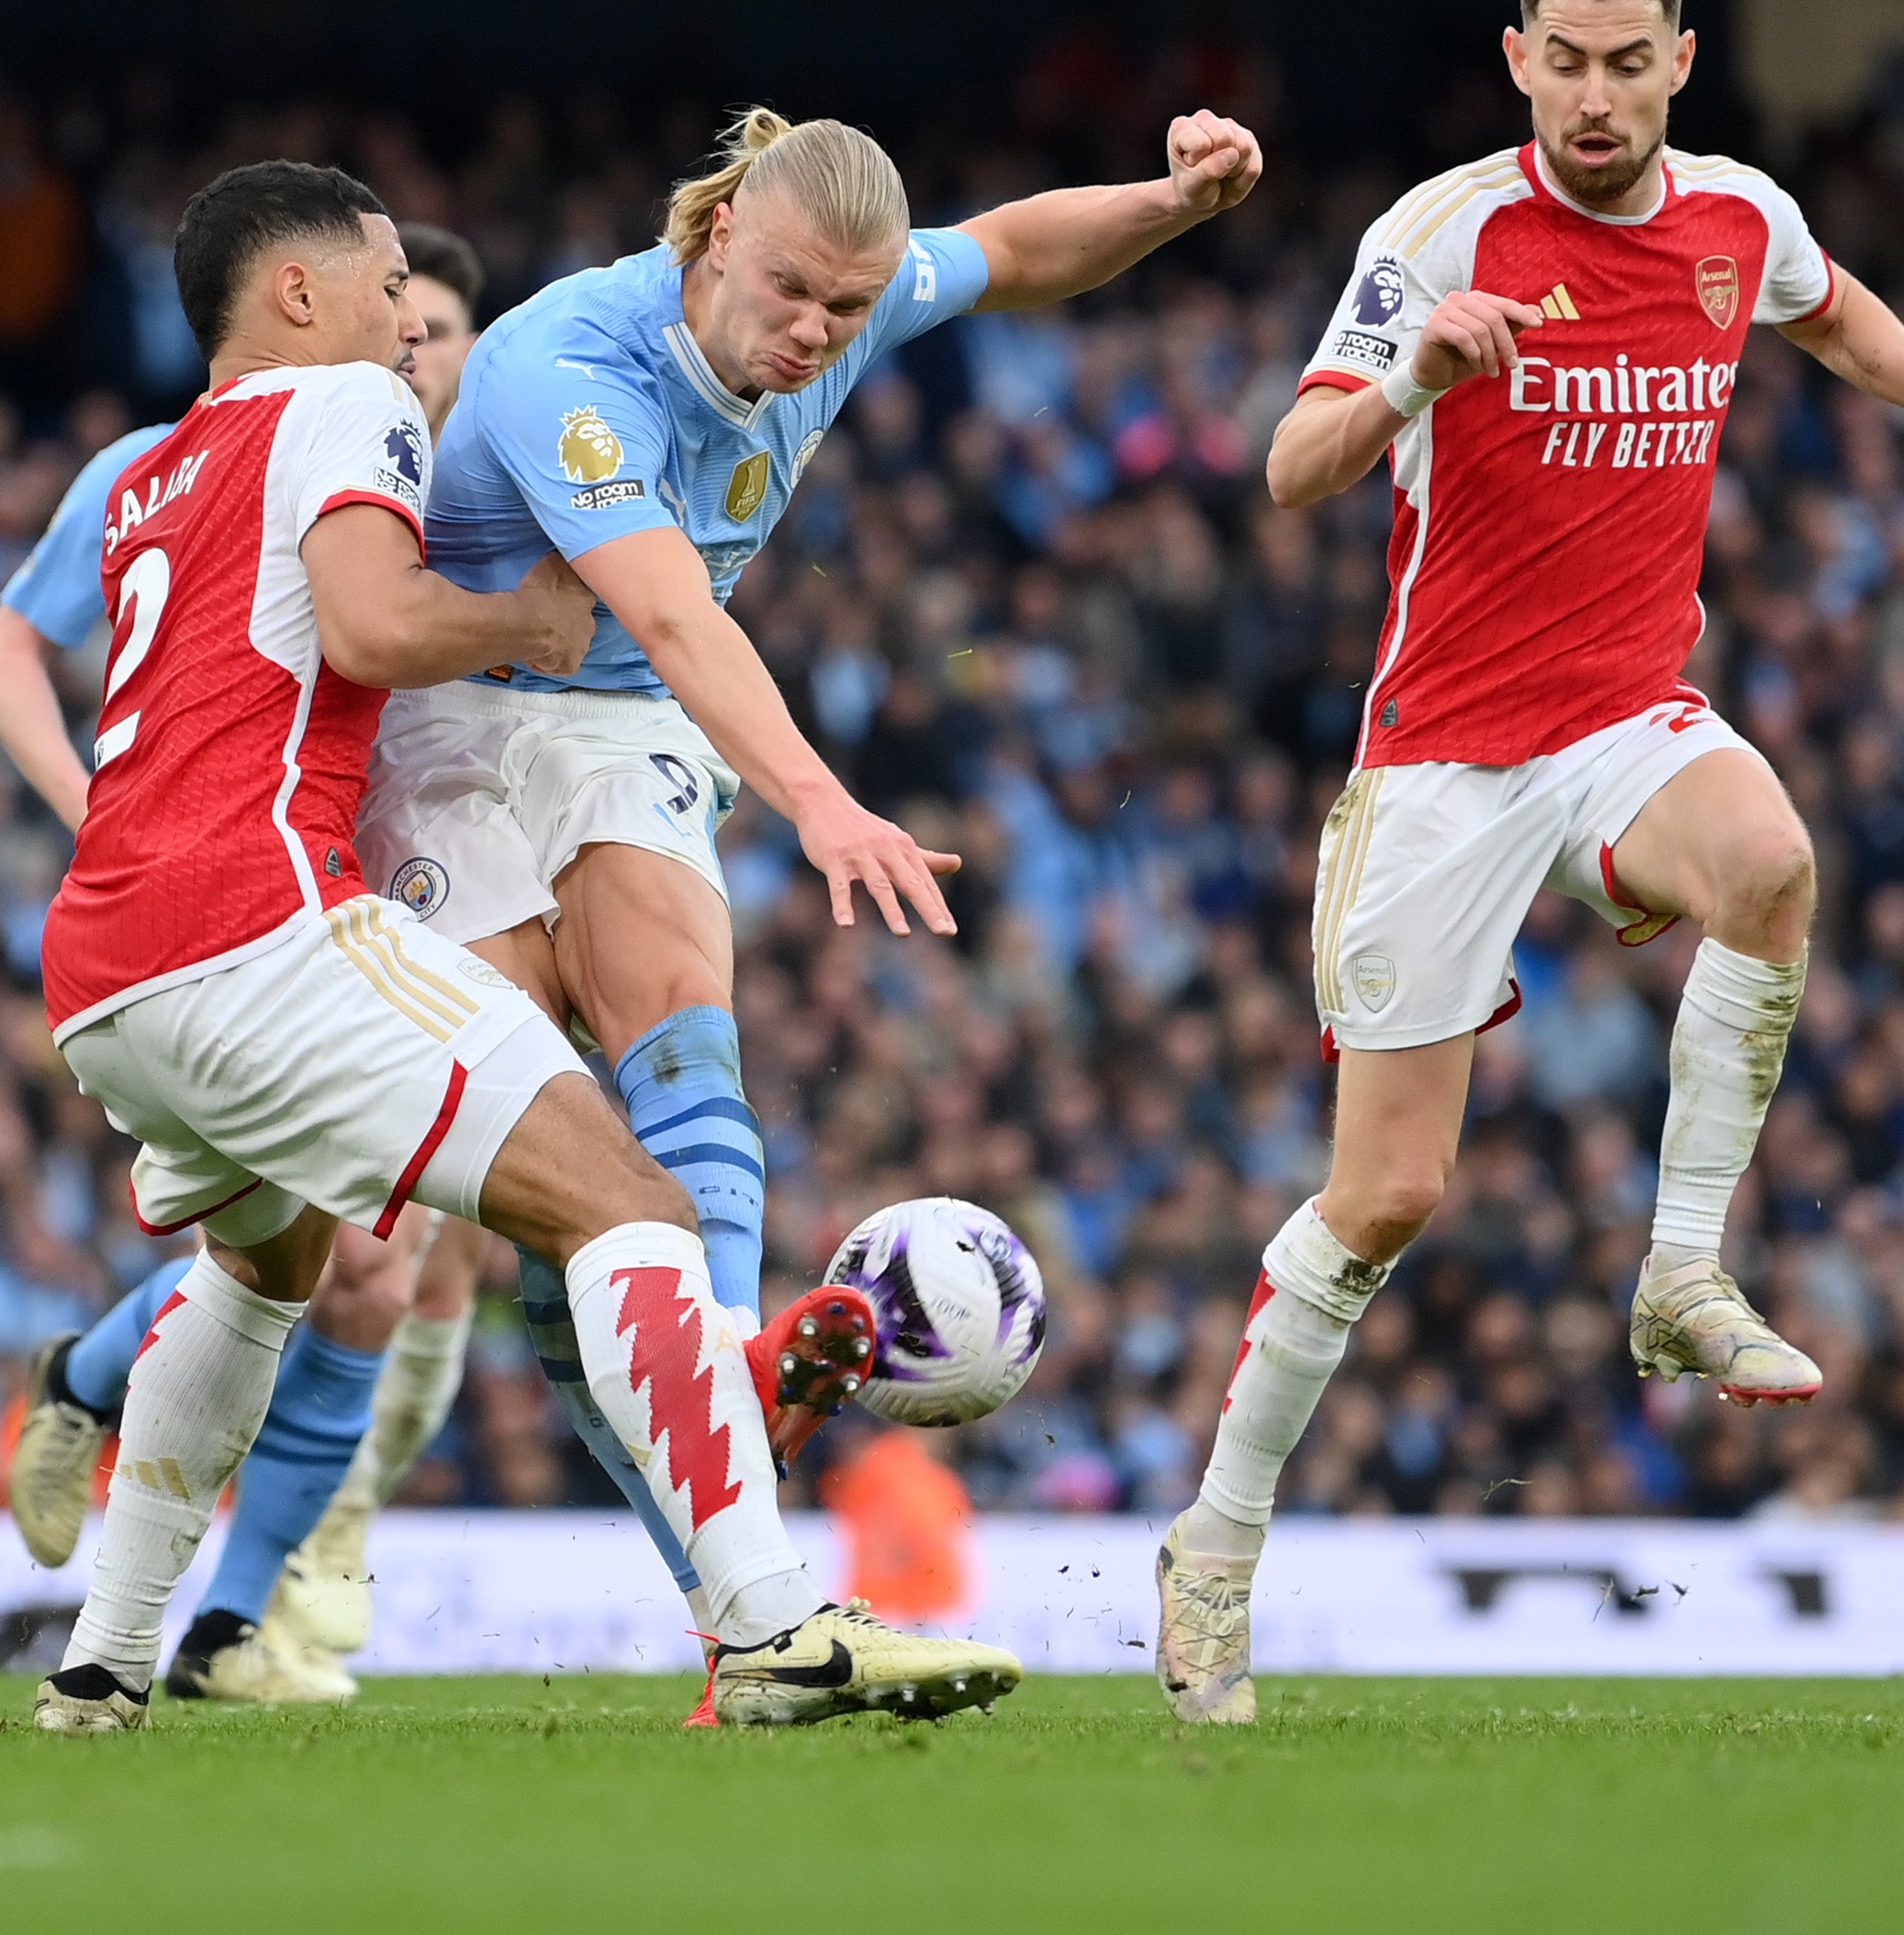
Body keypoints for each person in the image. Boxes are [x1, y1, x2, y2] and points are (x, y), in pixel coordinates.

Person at [1152, 0, 1904, 1725]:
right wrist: (1416, 372)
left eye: (1625, 60)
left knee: (1770, 859)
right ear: (1518, 61)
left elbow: (1822, 308)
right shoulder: (1436, 233)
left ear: (1678, 62)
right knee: (1388, 1192)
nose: (1593, 95)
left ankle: (1680, 1269)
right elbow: (1284, 469)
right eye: (1560, 60)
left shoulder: (1738, 213)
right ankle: (1212, 1543)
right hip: (1439, 756)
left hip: (1623, 715)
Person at [31, 159, 1017, 1730]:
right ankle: (769, 1624)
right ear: (297, 295)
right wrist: (521, 625)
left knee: (259, 1271)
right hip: (260, 922)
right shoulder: (347, 408)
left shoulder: (154, 471)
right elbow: (368, 625)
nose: (414, 330)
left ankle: (98, 1663)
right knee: (623, 1201)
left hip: (99, 959)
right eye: (379, 286)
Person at [369, 102, 1261, 1708]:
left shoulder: (842, 304)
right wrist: (820, 795)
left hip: (626, 722)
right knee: (526, 1201)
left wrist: (1172, 201)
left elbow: (1010, 250)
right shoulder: (573, 359)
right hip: (445, 725)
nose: (812, 333)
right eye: (786, 293)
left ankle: (741, 1521)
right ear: (712, 237)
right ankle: (124, 1426)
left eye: (845, 310)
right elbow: (663, 607)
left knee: (679, 1071)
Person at [0, 225, 493, 1704]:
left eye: (447, 324)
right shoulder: (185, 451)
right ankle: (224, 1615)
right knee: (360, 1258)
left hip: (428, 873)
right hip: (270, 888)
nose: (421, 344)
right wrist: (99, 806)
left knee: (400, 1275)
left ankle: (232, 1582)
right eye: (407, 307)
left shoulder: (473, 478)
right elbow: (11, 648)